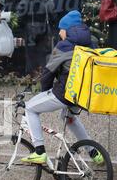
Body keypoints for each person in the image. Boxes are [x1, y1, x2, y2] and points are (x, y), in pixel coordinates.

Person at [21, 10, 104, 165]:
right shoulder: (91, 43)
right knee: (70, 119)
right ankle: (93, 152)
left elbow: (48, 73)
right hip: (82, 94)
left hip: (64, 93)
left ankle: (39, 151)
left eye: (61, 29)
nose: (59, 33)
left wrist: (45, 91)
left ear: (68, 29)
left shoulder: (64, 46)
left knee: (30, 108)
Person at [17, 0, 56, 78]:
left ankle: (30, 79)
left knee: (30, 57)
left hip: (29, 32)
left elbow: (19, 15)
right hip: (44, 31)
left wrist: (22, 27)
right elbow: (53, 15)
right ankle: (43, 79)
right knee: (43, 56)